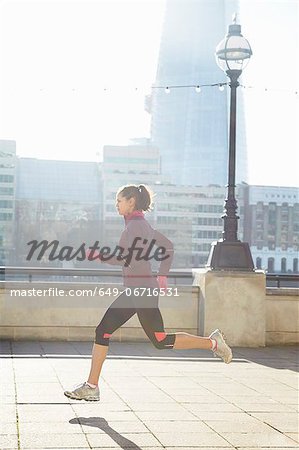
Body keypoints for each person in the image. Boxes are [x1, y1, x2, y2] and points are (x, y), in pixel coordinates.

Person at [64, 184, 232, 402]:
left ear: (131, 201)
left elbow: (125, 258)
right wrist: (161, 275)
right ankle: (92, 386)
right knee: (133, 335)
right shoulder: (139, 225)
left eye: (119, 201)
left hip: (141, 291)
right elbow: (167, 246)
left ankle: (213, 343)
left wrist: (97, 255)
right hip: (139, 290)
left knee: (144, 337)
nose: (117, 204)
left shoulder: (135, 226)